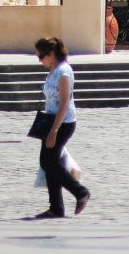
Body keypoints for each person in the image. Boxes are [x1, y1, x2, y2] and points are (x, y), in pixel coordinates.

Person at [31, 36, 90, 219]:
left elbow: (64, 104)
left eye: (41, 56)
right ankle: (56, 208)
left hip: (63, 123)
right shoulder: (54, 69)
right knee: (49, 163)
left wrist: (54, 131)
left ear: (52, 54)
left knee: (48, 162)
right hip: (51, 120)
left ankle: (80, 192)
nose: (40, 60)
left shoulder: (63, 72)